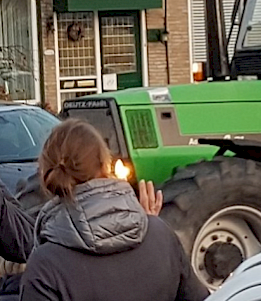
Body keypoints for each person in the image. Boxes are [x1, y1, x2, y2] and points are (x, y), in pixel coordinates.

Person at [19, 119, 208, 301]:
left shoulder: (45, 267)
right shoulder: (161, 235)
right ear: (105, 166)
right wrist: (149, 230)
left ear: (45, 175)